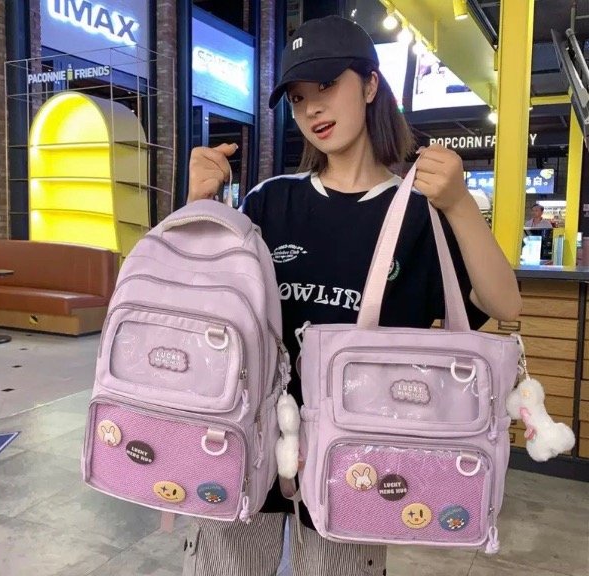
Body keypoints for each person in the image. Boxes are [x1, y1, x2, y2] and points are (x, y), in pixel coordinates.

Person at [184, 15, 522, 576]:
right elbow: (204, 305)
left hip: (360, 458)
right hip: (250, 441)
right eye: (298, 98)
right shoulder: (271, 202)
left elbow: (504, 305)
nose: (312, 108)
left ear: (369, 85)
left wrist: (460, 205)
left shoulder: (418, 215)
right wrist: (197, 206)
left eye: (326, 86)